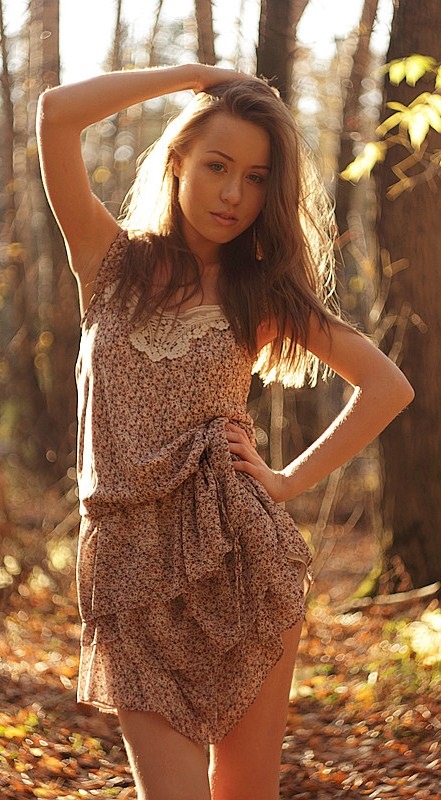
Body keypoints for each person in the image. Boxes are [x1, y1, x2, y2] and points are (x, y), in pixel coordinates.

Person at [37, 63, 414, 800]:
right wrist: (192, 76)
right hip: (127, 562)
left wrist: (286, 481)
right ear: (177, 160)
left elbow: (385, 386)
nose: (234, 194)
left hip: (242, 554)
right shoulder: (110, 264)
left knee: (244, 791)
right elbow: (56, 114)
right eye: (216, 166)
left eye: (255, 178)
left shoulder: (260, 291)